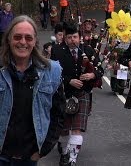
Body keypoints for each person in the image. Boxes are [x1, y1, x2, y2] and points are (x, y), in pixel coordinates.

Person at [0, 15, 65, 165]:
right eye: (17, 37)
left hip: (29, 158)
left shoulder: (52, 72)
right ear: (9, 39)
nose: (23, 42)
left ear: (35, 41)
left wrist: (43, 149)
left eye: (28, 38)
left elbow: (58, 114)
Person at [50, 22, 104, 166]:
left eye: (75, 37)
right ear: (64, 39)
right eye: (69, 37)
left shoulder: (88, 51)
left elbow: (100, 70)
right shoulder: (57, 51)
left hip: (82, 93)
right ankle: (63, 150)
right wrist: (69, 81)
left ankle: (72, 160)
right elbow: (52, 74)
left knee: (77, 129)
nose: (72, 40)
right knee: (63, 130)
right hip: (63, 94)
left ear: (79, 37)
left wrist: (92, 75)